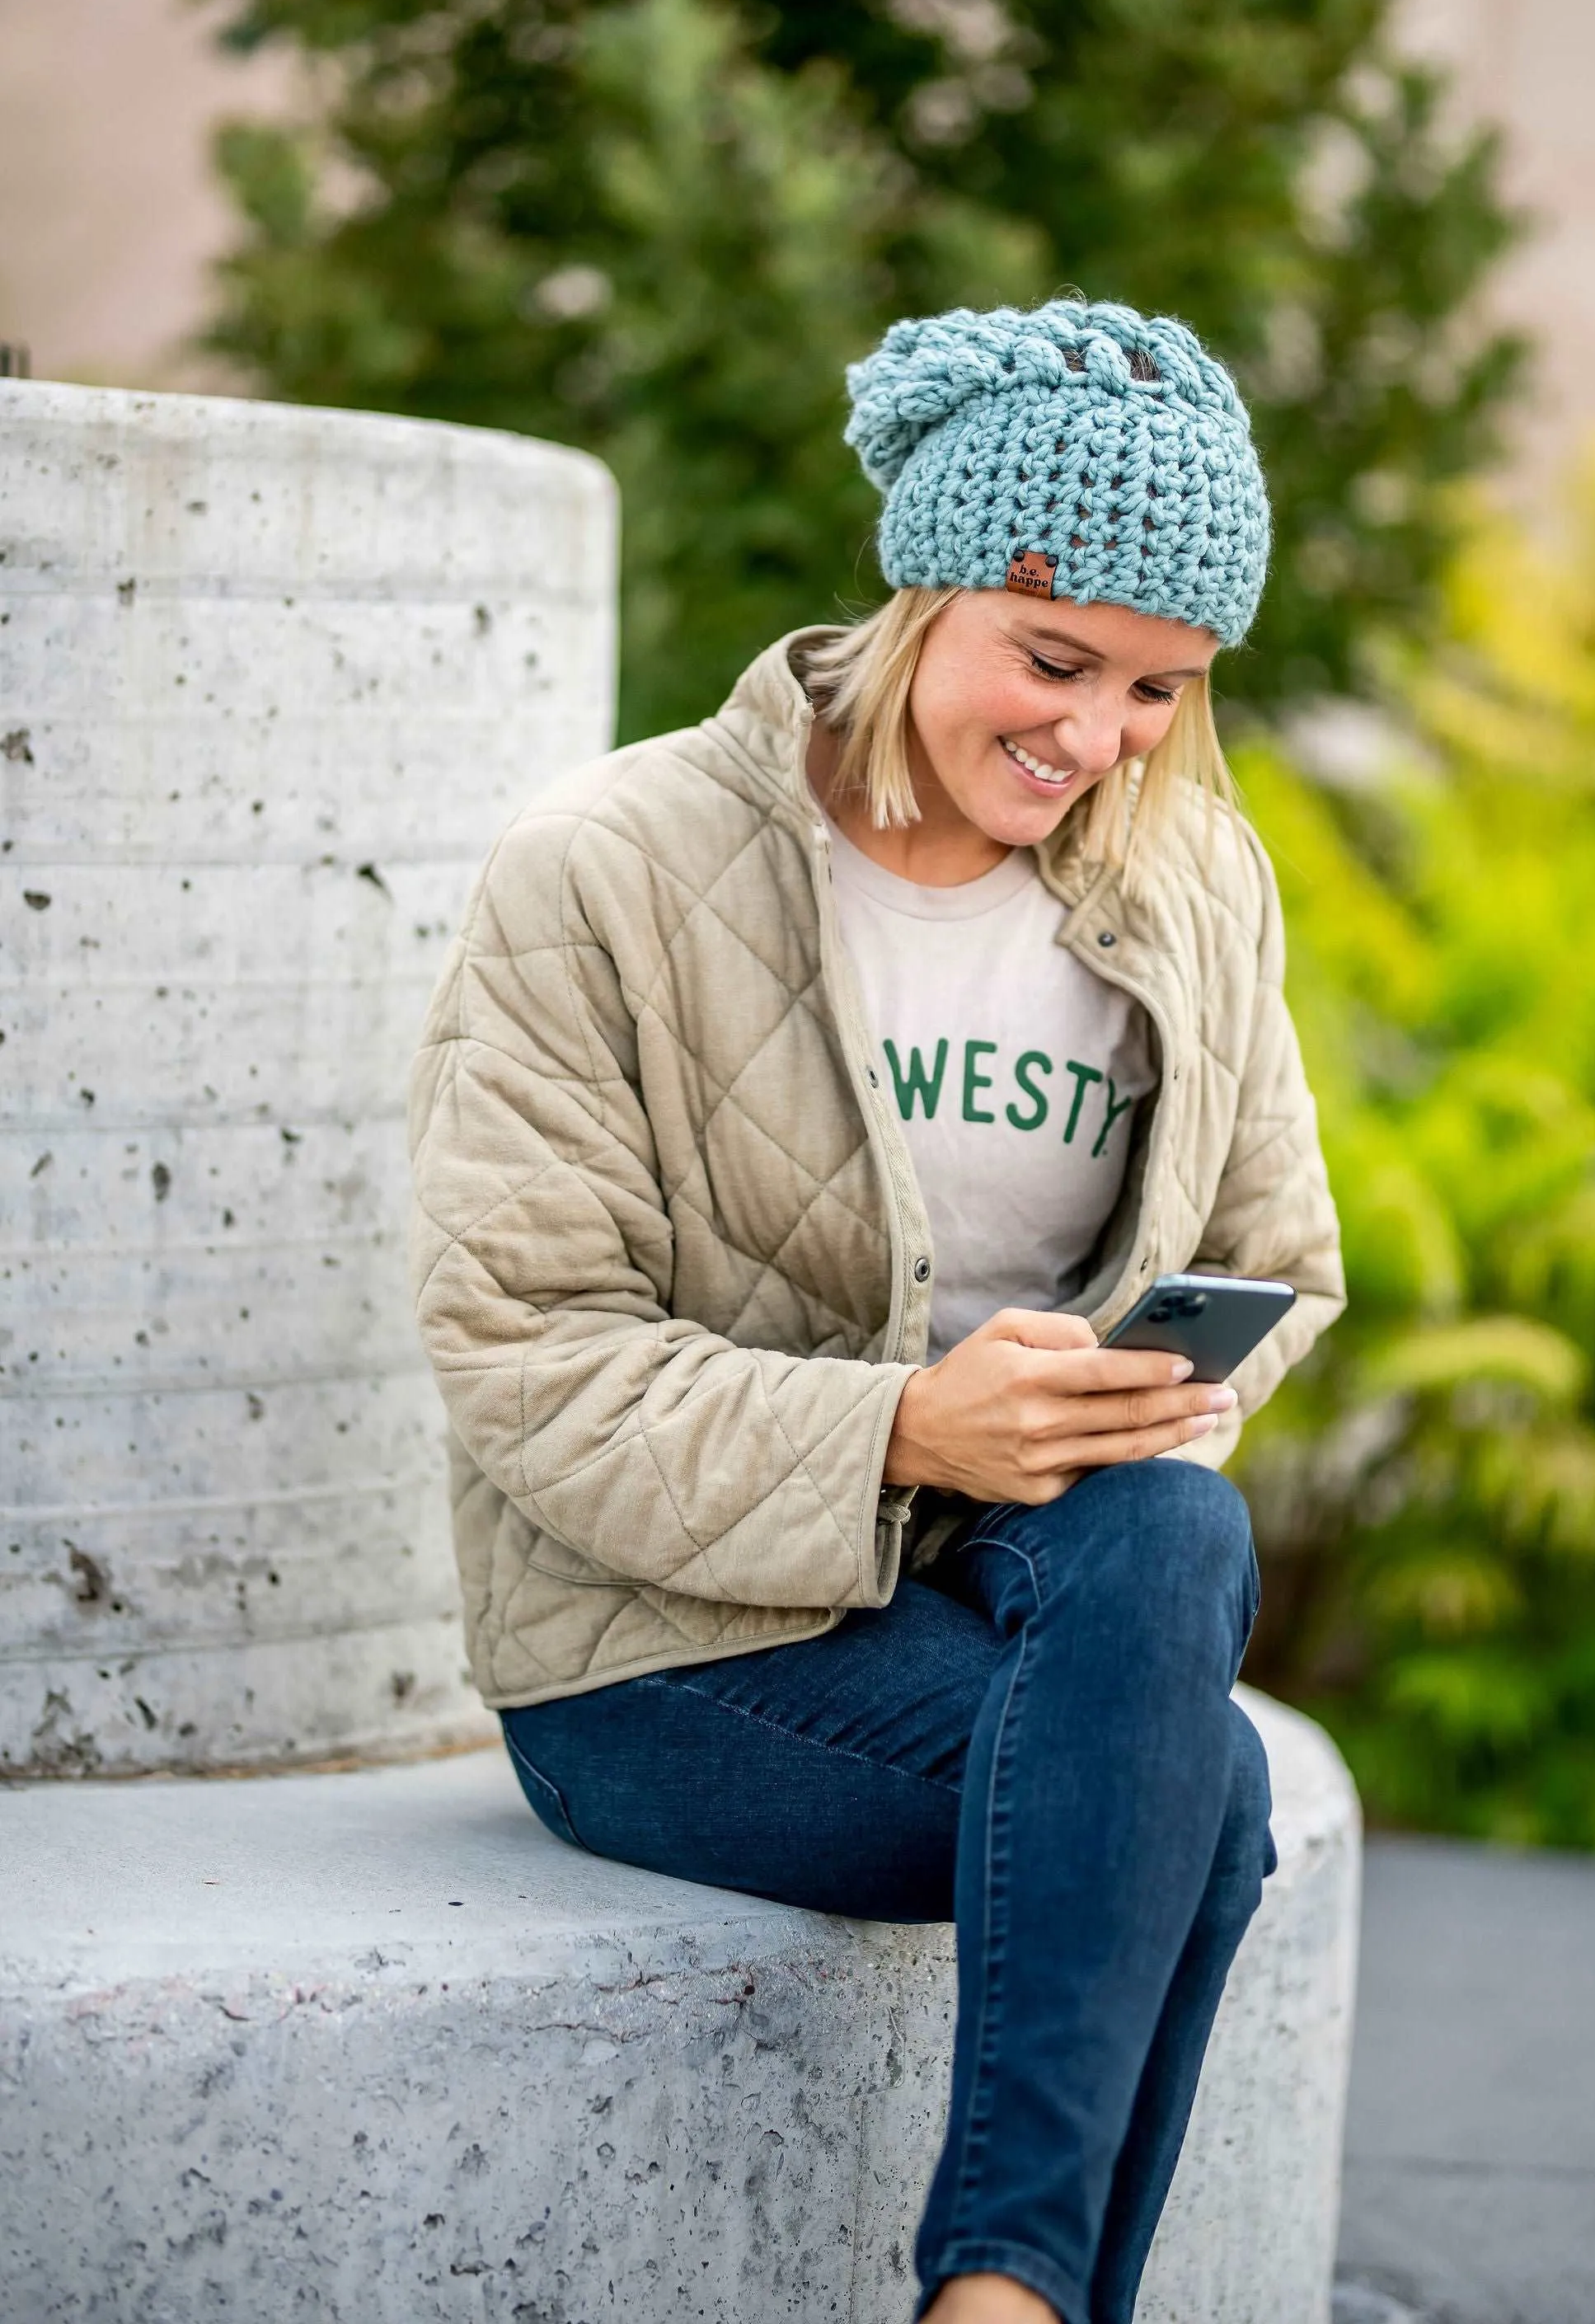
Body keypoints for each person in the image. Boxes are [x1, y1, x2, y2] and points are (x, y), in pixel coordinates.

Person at [408, 297, 1344, 2324]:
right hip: (659, 1657)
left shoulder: (1191, 883)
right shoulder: (613, 863)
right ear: (931, 594)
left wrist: (1125, 1410)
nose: (1095, 740)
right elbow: (523, 1350)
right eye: (1054, 661)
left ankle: (986, 2309)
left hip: (1035, 1597)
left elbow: (1285, 1261)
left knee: (1171, 1518)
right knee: (1212, 1808)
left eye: (1161, 689)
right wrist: (907, 1434)